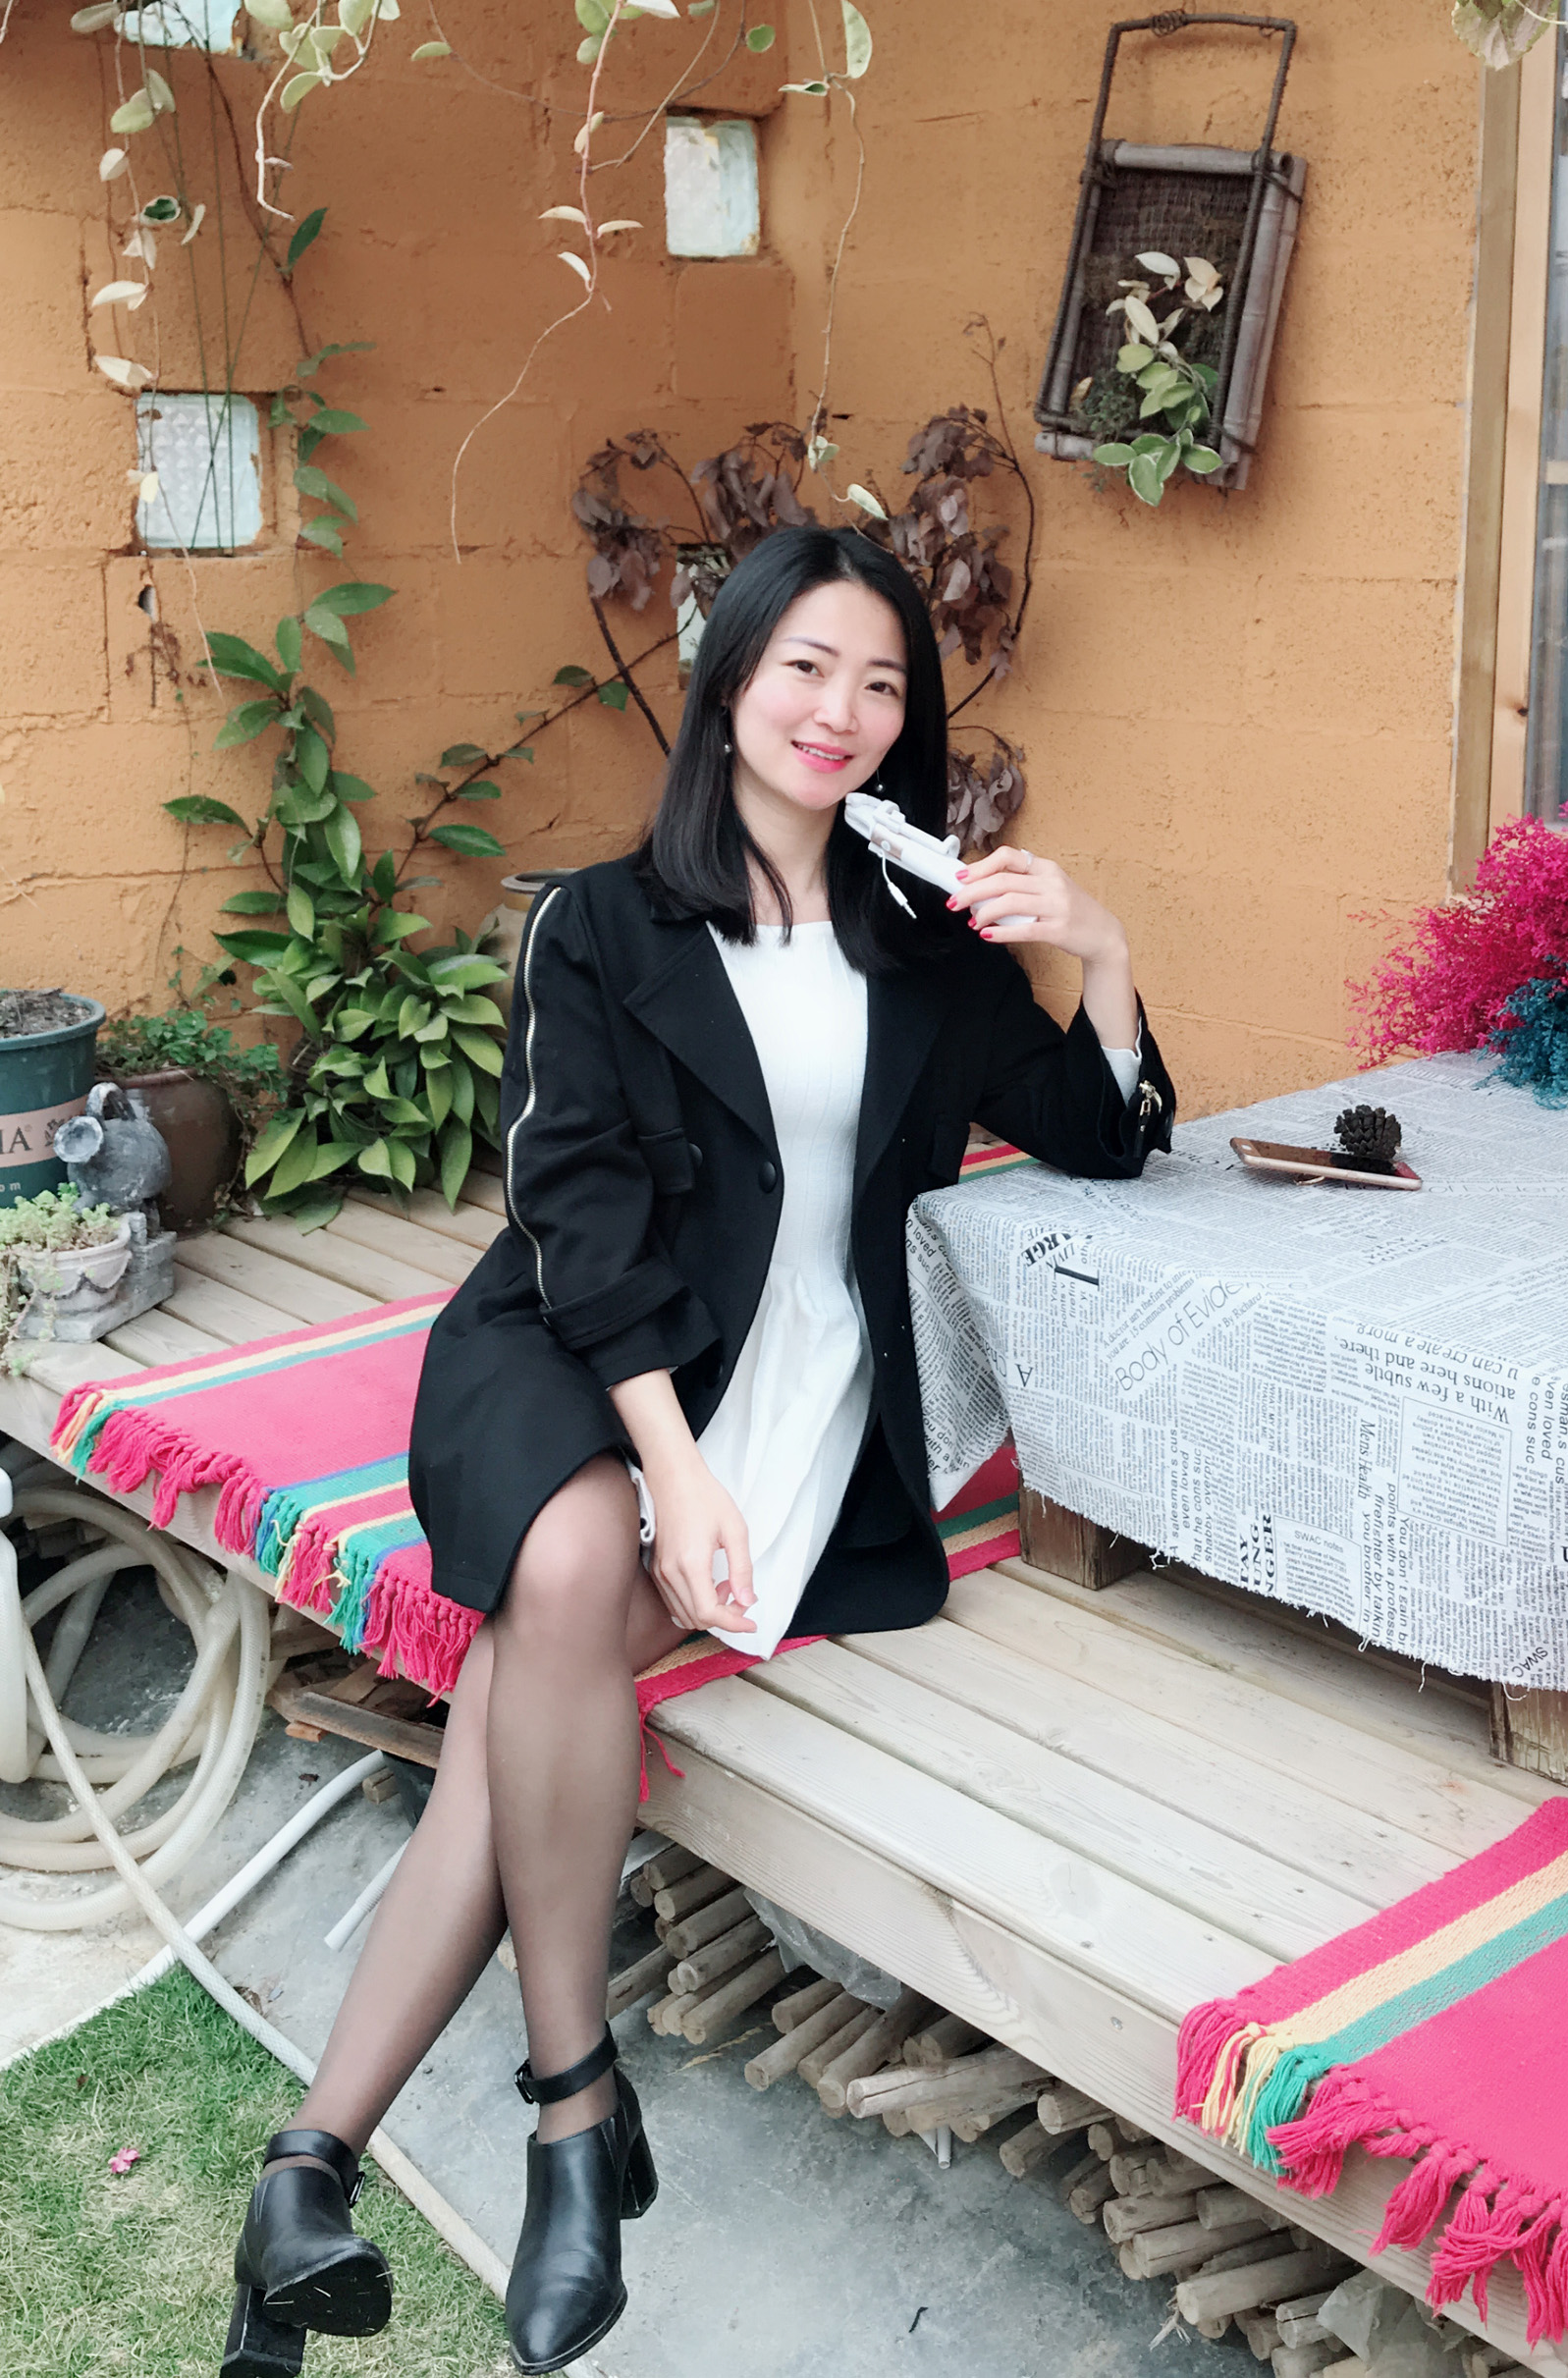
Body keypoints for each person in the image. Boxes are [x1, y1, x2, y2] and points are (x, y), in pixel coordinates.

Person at [220, 524, 1173, 2378]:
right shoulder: (599, 922)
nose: (842, 709)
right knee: (578, 1560)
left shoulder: (924, 940)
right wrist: (673, 1466)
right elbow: (573, 1212)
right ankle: (576, 2108)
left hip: (793, 1389)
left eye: (881, 682)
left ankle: (305, 2170)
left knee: (525, 1676)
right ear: (731, 679)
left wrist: (1103, 946)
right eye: (806, 664)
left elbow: (1103, 1130)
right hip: (580, 1357)